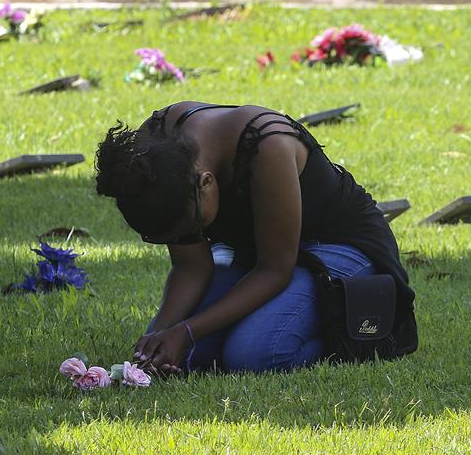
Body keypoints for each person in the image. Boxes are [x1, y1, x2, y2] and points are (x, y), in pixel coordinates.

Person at [94, 102, 417, 374]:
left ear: (205, 182)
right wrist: (159, 334)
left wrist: (188, 330)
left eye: (192, 228)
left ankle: (355, 329)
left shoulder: (267, 145)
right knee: (193, 357)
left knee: (251, 355)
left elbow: (274, 270)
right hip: (256, 257)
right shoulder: (152, 159)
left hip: (336, 246)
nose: (188, 237)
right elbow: (191, 267)